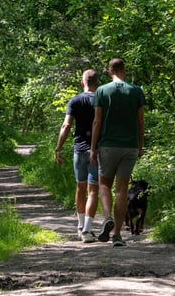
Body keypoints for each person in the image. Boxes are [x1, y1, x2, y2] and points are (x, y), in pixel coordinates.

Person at [90, 58, 146, 247]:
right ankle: (117, 236)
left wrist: (92, 147)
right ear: (124, 70)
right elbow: (140, 122)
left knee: (104, 185)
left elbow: (97, 121)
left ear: (109, 71)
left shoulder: (102, 91)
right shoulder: (136, 91)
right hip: (130, 145)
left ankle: (107, 218)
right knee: (122, 190)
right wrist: (140, 145)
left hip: (107, 145)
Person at [55, 69, 100, 243]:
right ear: (97, 83)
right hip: (96, 151)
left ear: (83, 83)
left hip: (79, 150)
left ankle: (80, 226)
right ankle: (87, 231)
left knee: (80, 188)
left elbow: (66, 126)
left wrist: (58, 148)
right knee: (93, 190)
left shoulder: (74, 100)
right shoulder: (101, 100)